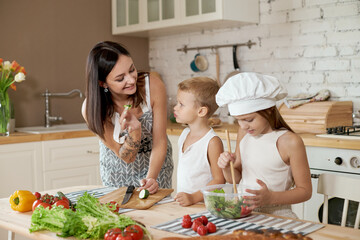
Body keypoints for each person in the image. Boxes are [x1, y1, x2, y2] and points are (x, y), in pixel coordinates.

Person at [216, 72, 312, 218]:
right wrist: (226, 167)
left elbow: (305, 191)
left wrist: (270, 198)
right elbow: (235, 180)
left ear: (268, 110)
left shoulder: (290, 142)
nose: (243, 126)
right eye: (238, 120)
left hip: (278, 216)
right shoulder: (244, 134)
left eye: (249, 119)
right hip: (245, 214)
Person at [82, 41, 173, 194]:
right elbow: (126, 156)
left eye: (132, 70)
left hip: (157, 168)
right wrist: (135, 132)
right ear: (103, 83)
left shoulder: (153, 86)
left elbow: (160, 141)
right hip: (116, 174)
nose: (131, 80)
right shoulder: (92, 109)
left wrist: (150, 180)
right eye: (120, 78)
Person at [173, 77, 225, 206]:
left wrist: (193, 197)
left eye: (181, 104)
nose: (175, 108)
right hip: (186, 205)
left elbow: (219, 179)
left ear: (201, 111)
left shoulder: (212, 142)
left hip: (204, 206)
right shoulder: (184, 134)